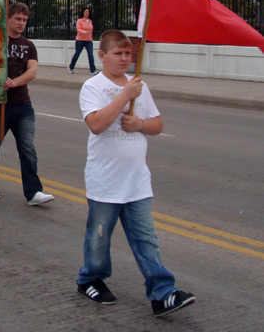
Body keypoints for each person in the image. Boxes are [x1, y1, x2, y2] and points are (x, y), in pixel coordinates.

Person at [76, 29, 195, 317]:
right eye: (118, 53)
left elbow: (157, 124)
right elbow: (96, 124)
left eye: (128, 54)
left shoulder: (139, 85)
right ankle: (91, 278)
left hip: (137, 181)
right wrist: (124, 96)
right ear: (102, 56)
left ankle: (162, 292)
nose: (124, 59)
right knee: (99, 238)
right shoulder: (93, 87)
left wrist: (140, 124)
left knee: (146, 239)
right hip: (106, 180)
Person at [0, 2, 54, 206]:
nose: (21, 23)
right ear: (8, 19)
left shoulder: (29, 46)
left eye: (24, 20)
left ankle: (33, 191)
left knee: (28, 148)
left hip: (23, 104)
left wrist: (14, 82)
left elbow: (32, 72)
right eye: (18, 19)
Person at [68, 7, 97, 75]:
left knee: (90, 55)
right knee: (77, 54)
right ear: (83, 13)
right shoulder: (80, 20)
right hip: (80, 40)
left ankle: (93, 70)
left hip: (89, 40)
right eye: (86, 12)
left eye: (88, 12)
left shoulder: (90, 21)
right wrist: (84, 32)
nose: (87, 13)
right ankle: (71, 67)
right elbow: (78, 29)